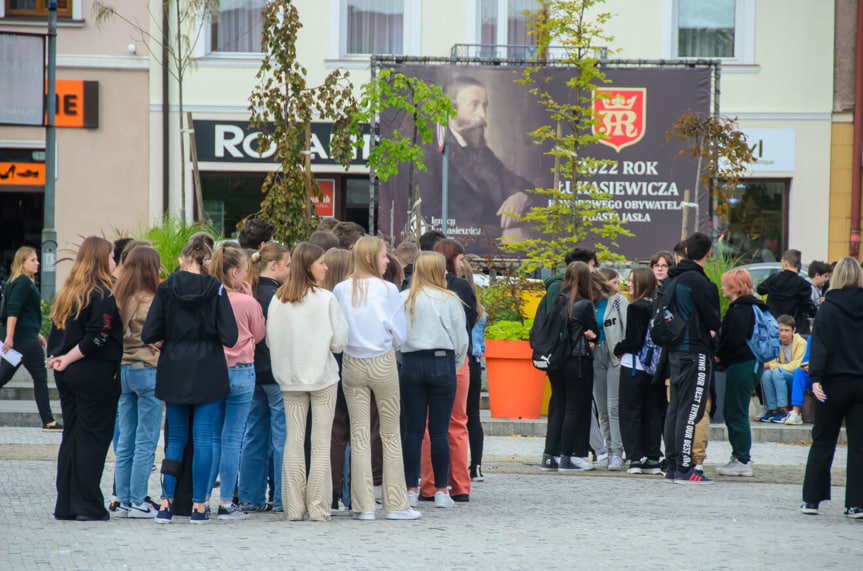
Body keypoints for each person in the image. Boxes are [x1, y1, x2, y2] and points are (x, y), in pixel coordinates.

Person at [142, 237, 239, 525]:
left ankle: (166, 503)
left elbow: (149, 332)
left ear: (184, 259)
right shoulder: (216, 289)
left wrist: (168, 342)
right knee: (205, 437)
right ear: (206, 261)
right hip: (208, 367)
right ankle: (199, 505)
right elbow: (231, 336)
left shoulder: (166, 288)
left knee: (176, 439)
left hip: (174, 367)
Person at [332, 236, 420, 520]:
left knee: (359, 435)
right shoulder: (388, 289)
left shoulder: (341, 289)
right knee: (390, 433)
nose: (387, 261)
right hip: (382, 361)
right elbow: (400, 335)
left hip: (352, 362)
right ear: (371, 258)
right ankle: (395, 504)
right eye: (384, 256)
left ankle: (363, 506)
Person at [268, 242, 348, 521]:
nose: (326, 267)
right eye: (322, 262)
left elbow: (269, 339)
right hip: (322, 376)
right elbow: (339, 343)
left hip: (289, 377)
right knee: (320, 442)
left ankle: (293, 507)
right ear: (309, 266)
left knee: (293, 439)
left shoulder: (278, 299)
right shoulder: (325, 299)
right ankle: (318, 506)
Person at [47, 236, 123, 521]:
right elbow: (100, 335)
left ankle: (66, 503)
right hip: (92, 372)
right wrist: (68, 357)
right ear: (102, 260)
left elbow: (59, 333)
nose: (115, 262)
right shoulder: (102, 294)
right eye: (113, 257)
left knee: (73, 435)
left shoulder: (70, 291)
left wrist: (58, 358)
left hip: (67, 374)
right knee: (92, 438)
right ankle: (88, 504)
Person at [417, 76, 536, 241]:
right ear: (451, 108)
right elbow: (432, 220)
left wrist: (520, 195)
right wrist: (499, 237)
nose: (483, 115)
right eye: (474, 105)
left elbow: (517, 182)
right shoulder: (429, 152)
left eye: (485, 106)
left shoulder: (483, 153)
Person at [399, 251, 468, 508]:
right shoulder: (449, 299)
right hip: (442, 360)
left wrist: (403, 358)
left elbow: (396, 335)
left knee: (413, 430)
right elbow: (461, 339)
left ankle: (410, 489)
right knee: (439, 431)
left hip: (412, 362)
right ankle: (441, 490)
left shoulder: (403, 297)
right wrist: (454, 363)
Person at [801, 256, 863, 518]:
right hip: (860, 383)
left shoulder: (828, 308)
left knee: (823, 441)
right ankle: (856, 503)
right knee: (860, 446)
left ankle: (812, 500)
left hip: (831, 384)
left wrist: (815, 378)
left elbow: (820, 346)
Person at [207, 245, 266, 521]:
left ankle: (202, 498)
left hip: (214, 370)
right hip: (242, 370)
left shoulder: (207, 298)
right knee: (233, 438)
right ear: (234, 273)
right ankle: (227, 501)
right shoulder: (247, 302)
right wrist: (250, 298)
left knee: (211, 436)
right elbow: (259, 333)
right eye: (244, 271)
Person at [419, 238, 477, 502]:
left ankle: (430, 486)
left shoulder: (415, 289)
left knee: (429, 426)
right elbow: (468, 321)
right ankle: (460, 485)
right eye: (460, 258)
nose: (462, 264)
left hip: (421, 360)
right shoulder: (460, 287)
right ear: (449, 260)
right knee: (456, 424)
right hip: (456, 359)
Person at [663, 232, 721, 484]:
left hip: (674, 352)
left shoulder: (671, 280)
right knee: (691, 412)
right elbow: (713, 320)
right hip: (694, 351)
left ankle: (673, 465)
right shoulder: (700, 282)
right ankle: (685, 468)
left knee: (674, 410)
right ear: (708, 254)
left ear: (685, 252)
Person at [238, 242, 291, 513]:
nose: (289, 270)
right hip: (275, 371)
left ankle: (249, 496)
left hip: (250, 370)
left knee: (253, 435)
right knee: (282, 436)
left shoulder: (245, 292)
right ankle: (282, 497)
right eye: (287, 265)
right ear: (274, 265)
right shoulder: (280, 295)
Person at [112, 245, 163, 517]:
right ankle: (139, 500)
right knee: (146, 439)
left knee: (125, 440)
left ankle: (121, 499)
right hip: (147, 368)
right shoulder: (154, 299)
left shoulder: (120, 296)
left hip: (123, 370)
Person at [541, 261, 599, 473]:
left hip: (556, 362)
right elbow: (594, 333)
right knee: (574, 409)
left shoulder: (556, 299)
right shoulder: (583, 305)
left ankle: (550, 456)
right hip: (577, 361)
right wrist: (593, 335)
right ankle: (568, 457)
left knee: (558, 408)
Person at [714, 268, 769, 477]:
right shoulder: (751, 307)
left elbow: (733, 339)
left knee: (736, 412)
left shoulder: (740, 310)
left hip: (743, 364)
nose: (721, 287)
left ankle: (742, 459)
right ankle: (739, 456)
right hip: (749, 364)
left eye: (724, 283)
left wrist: (720, 355)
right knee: (734, 411)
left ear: (734, 287)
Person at [0, 247, 61, 431]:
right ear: (22, 262)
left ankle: (48, 420)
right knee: (40, 377)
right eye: (33, 260)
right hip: (23, 340)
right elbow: (13, 311)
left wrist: (38, 333)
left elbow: (25, 314)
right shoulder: (23, 282)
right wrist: (9, 338)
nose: (37, 263)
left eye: (36, 260)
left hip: (24, 337)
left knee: (3, 376)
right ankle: (48, 421)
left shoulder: (17, 282)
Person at [614, 267, 663, 475]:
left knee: (630, 412)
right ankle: (652, 456)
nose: (629, 285)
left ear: (642, 283)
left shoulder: (636, 308)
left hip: (633, 366)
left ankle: (634, 457)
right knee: (652, 411)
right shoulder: (658, 306)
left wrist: (618, 348)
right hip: (654, 368)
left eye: (633, 281)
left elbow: (634, 341)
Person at [321, 248, 355, 513]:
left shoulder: (322, 295)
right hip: (352, 361)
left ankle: (331, 494)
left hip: (328, 365)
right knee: (358, 432)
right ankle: (353, 493)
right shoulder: (351, 294)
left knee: (335, 432)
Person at [592, 267, 628, 470]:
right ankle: (606, 450)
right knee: (602, 408)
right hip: (596, 354)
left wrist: (624, 350)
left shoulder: (617, 300)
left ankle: (617, 452)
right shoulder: (588, 303)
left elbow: (628, 327)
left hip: (615, 355)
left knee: (614, 407)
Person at [461, 259, 486, 482]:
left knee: (455, 419)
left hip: (461, 361)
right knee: (473, 417)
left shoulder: (456, 303)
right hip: (476, 363)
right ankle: (476, 465)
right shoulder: (480, 309)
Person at [757, 315, 806, 424]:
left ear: (793, 330)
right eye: (780, 330)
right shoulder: (776, 342)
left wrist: (772, 366)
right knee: (766, 374)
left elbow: (796, 366)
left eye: (786, 330)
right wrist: (771, 366)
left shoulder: (801, 343)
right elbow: (772, 361)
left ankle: (783, 409)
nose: (783, 333)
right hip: (780, 375)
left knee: (776, 372)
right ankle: (773, 409)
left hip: (794, 377)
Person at [756, 249, 817, 336]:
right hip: (793, 328)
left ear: (785, 263)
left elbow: (760, 290)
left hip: (773, 325)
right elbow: (808, 307)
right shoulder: (803, 284)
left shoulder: (774, 279)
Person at [786, 340, 812, 425]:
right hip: (814, 373)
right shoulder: (812, 338)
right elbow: (806, 359)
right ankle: (796, 413)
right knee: (799, 372)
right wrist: (806, 365)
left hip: (829, 374)